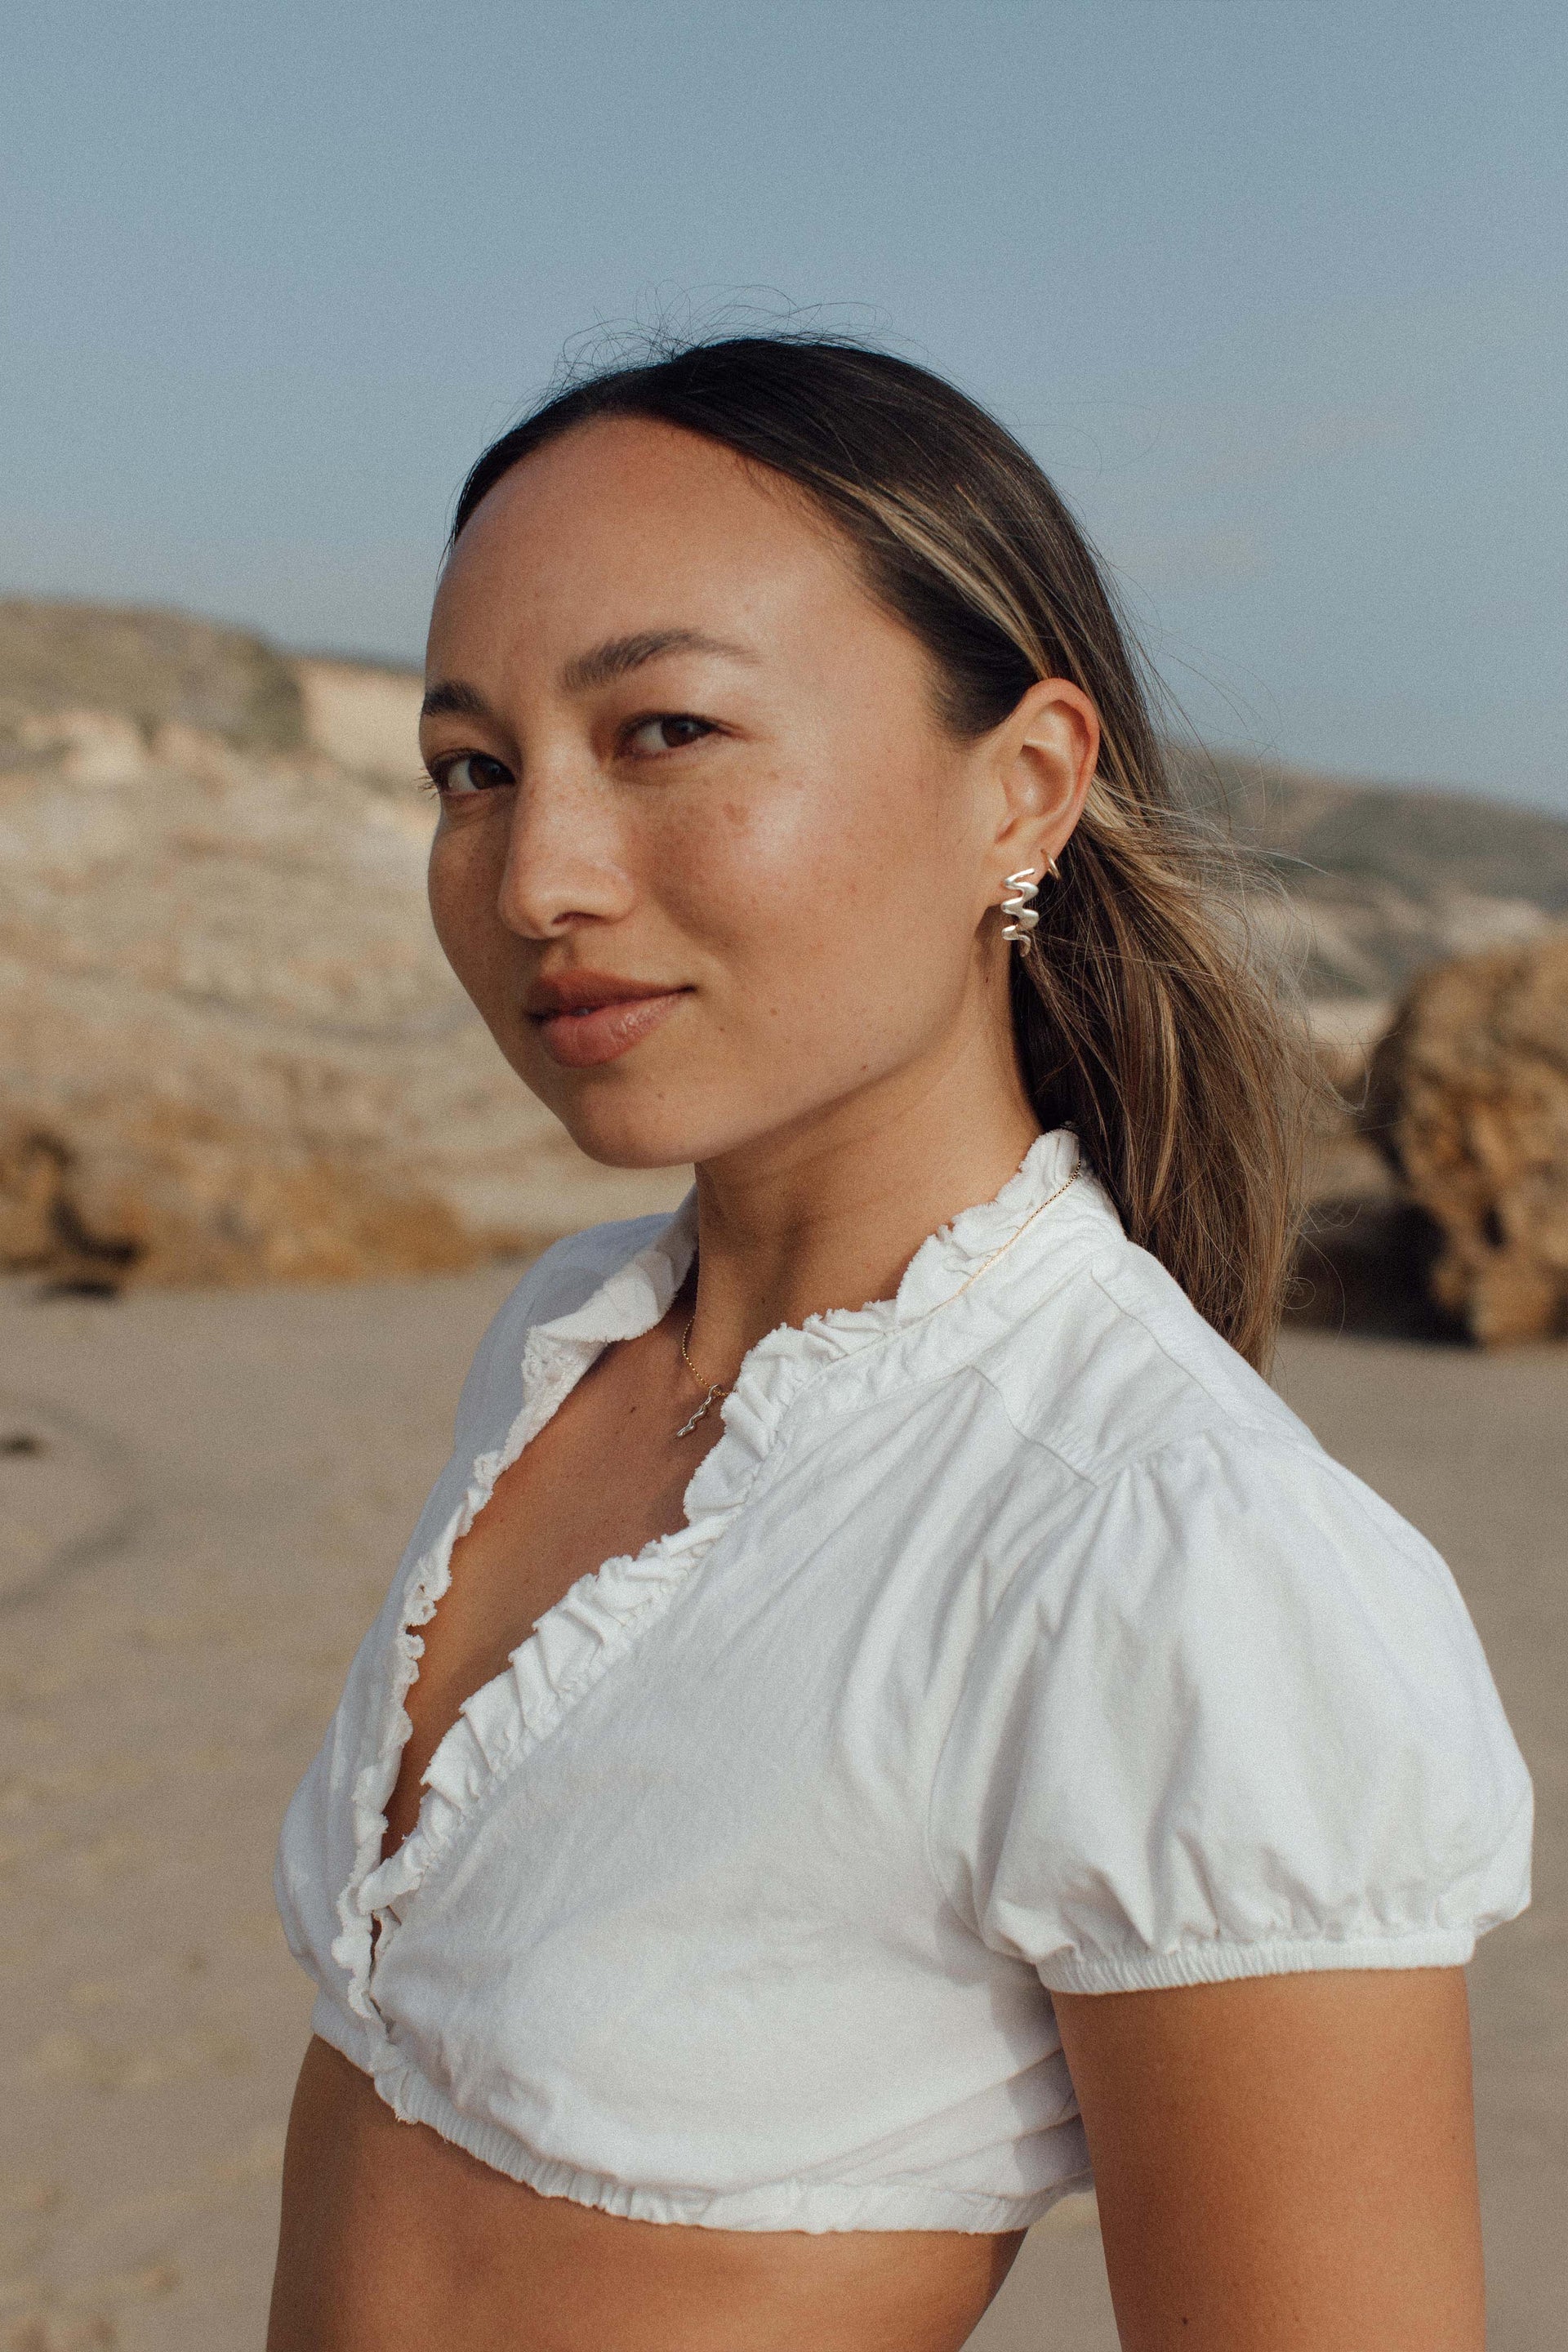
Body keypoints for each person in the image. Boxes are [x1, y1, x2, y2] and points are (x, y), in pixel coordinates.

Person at [269, 336, 1530, 2352]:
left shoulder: (1168, 1554)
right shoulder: (565, 1347)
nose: (535, 879)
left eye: (666, 730)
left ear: (1022, 789)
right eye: (472, 770)